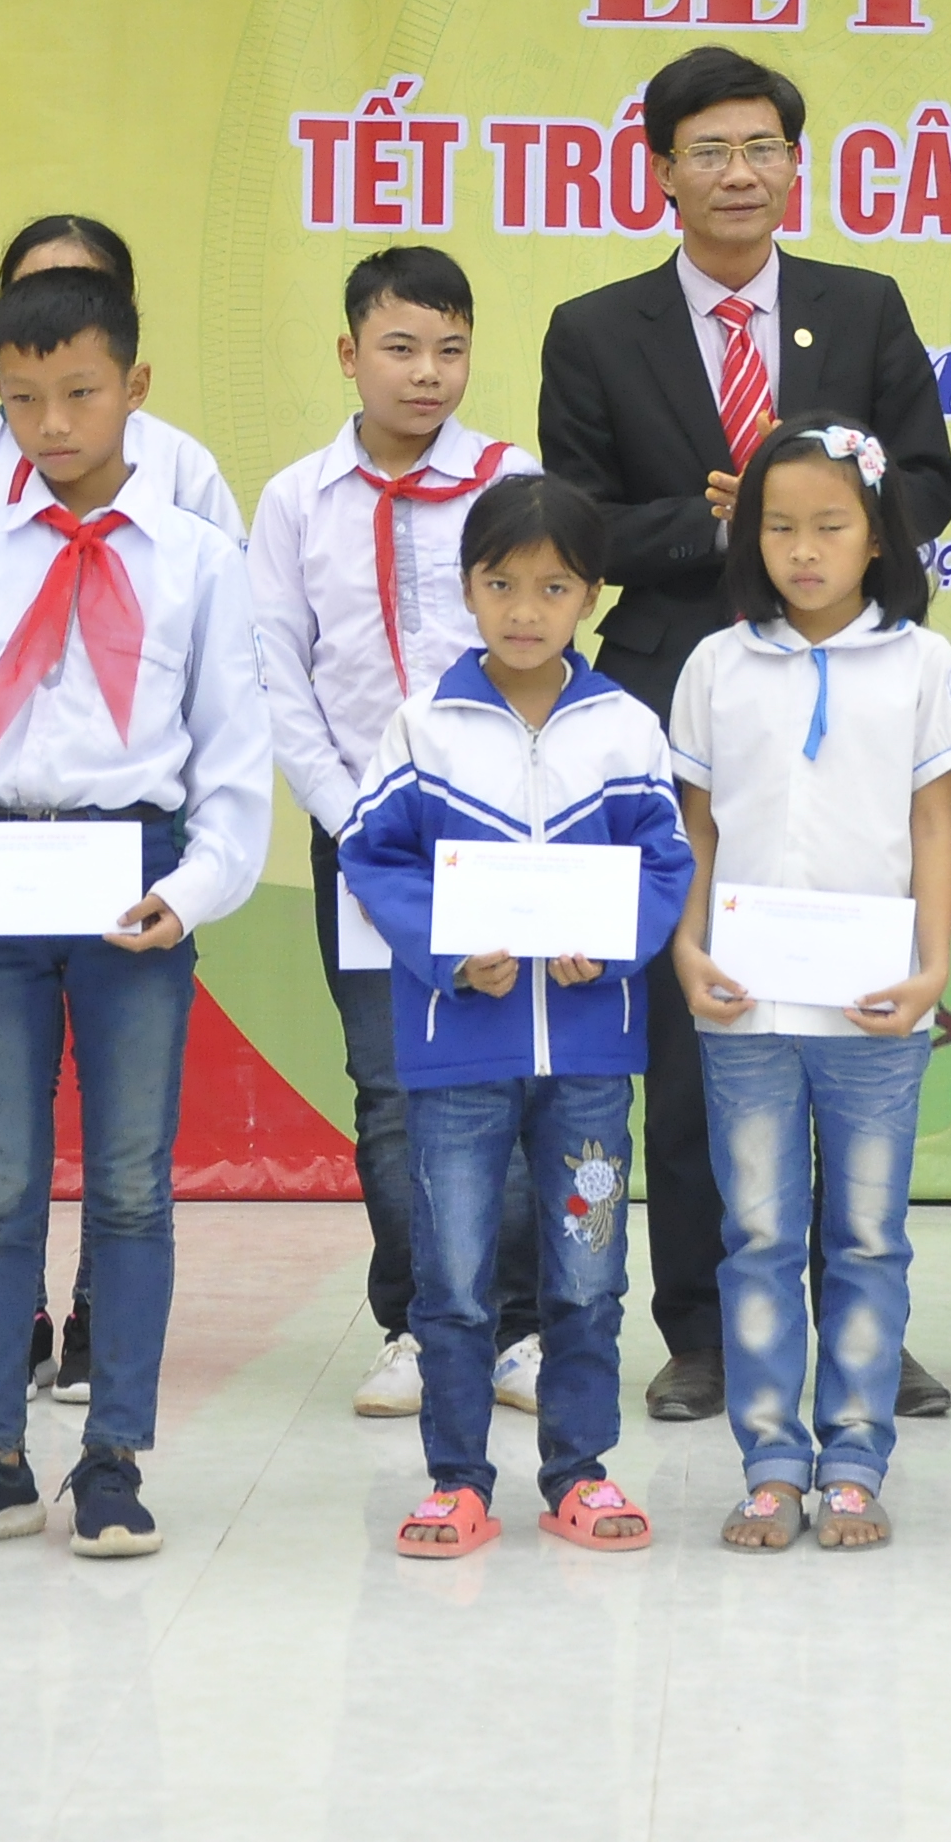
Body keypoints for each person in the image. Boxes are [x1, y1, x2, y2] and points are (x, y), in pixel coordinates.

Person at [537, 45, 951, 1425]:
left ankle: (863, 1326)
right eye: (710, 150)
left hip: (850, 702)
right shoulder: (595, 329)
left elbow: (931, 477)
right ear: (662, 170)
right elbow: (580, 524)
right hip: (683, 697)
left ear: (794, 163)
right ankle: (707, 1330)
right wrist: (722, 526)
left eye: (763, 147)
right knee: (700, 1026)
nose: (739, 173)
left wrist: (831, 524)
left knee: (848, 1026)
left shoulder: (862, 305)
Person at [0, 266, 272, 1562]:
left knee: (132, 1185)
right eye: (23, 398)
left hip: (129, 881)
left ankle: (113, 1458)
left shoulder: (201, 563)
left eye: (81, 394)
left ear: (136, 388)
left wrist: (187, 892)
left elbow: (233, 765)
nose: (52, 424)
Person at [338, 476, 694, 1559]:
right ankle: (456, 1482)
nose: (525, 610)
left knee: (587, 1276)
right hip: (456, 1058)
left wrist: (613, 944)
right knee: (452, 1281)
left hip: (588, 1055)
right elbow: (373, 856)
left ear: (591, 595)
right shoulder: (424, 727)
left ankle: (579, 1472)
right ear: (467, 589)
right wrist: (451, 953)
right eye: (501, 585)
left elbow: (665, 860)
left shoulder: (624, 728)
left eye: (553, 587)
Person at [251, 243, 546, 1425]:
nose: (428, 373)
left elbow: (544, 646)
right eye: (401, 348)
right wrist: (353, 819)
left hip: (502, 837)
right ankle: (418, 1323)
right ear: (348, 353)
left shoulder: (509, 478)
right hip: (364, 838)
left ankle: (515, 1328)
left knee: (503, 1076)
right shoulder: (296, 500)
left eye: (451, 349)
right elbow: (281, 673)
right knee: (390, 1086)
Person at [668, 421, 951, 1551]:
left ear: (876, 537)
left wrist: (932, 967)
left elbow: (933, 829)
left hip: (875, 1009)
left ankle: (852, 1458)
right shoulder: (715, 665)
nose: (803, 550)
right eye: (779, 527)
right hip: (744, 1006)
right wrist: (687, 949)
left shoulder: (923, 664)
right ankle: (769, 1463)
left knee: (867, 1238)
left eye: (830, 526)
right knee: (755, 1235)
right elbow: (696, 831)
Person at [0, 214, 245, 620]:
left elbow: (228, 618)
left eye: (80, 292)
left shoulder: (182, 468)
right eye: (33, 293)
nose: (56, 311)